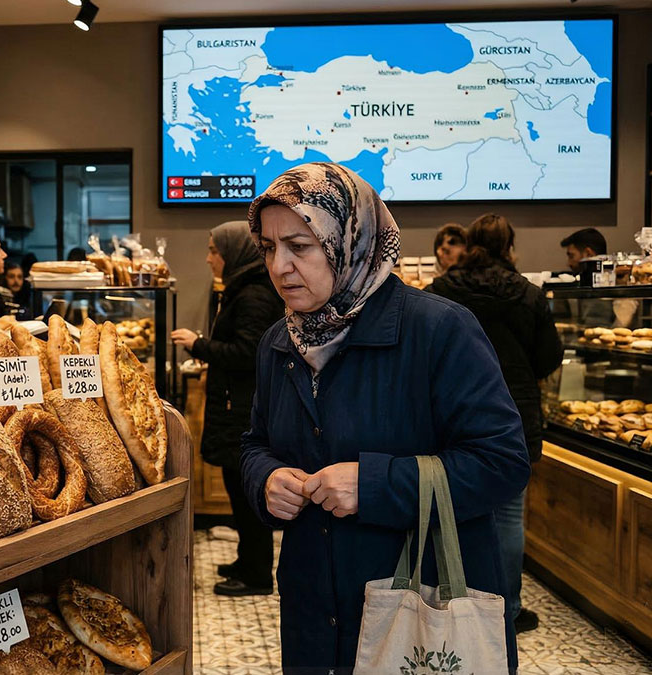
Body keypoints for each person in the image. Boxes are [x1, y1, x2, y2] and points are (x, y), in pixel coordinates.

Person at [239, 163, 530, 672]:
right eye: (268, 247)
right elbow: (254, 443)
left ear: (350, 239)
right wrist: (265, 479)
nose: (279, 265)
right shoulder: (279, 342)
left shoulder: (439, 330)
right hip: (313, 616)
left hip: (423, 613)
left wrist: (373, 485)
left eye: (299, 246)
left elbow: (502, 462)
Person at [427, 213, 563, 635]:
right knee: (507, 515)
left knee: (446, 507)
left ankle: (448, 601)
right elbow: (549, 358)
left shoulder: (444, 289)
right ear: (510, 246)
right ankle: (507, 609)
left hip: (452, 412)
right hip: (514, 414)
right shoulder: (528, 294)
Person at [171, 222, 284, 597]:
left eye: (212, 251)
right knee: (239, 491)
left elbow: (247, 353)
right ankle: (245, 560)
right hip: (236, 407)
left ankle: (255, 576)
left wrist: (199, 345)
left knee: (249, 495)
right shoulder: (242, 289)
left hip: (243, 411)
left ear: (231, 253)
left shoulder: (252, 295)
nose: (207, 258)